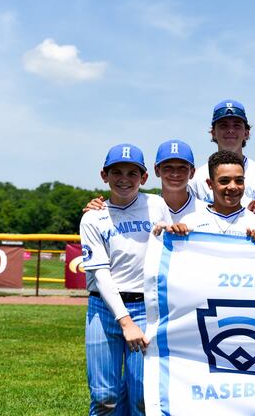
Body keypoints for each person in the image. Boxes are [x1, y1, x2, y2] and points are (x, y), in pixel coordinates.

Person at [79, 143, 170, 415]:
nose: (124, 179)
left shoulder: (157, 205)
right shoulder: (93, 217)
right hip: (104, 309)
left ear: (144, 178)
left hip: (146, 307)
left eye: (133, 173)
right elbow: (101, 273)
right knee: (104, 397)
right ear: (103, 176)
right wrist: (125, 321)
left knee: (143, 395)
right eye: (116, 172)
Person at [84, 140, 207, 224]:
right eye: (168, 167)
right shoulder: (146, 206)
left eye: (182, 168)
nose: (175, 173)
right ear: (156, 170)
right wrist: (101, 207)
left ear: (192, 172)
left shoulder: (206, 211)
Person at [187, 99, 255, 209]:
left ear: (246, 133)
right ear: (213, 133)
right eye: (223, 125)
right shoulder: (196, 178)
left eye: (237, 125)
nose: (230, 130)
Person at [180, 150, 255, 243]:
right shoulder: (190, 222)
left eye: (239, 180)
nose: (233, 187)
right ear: (210, 184)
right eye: (224, 181)